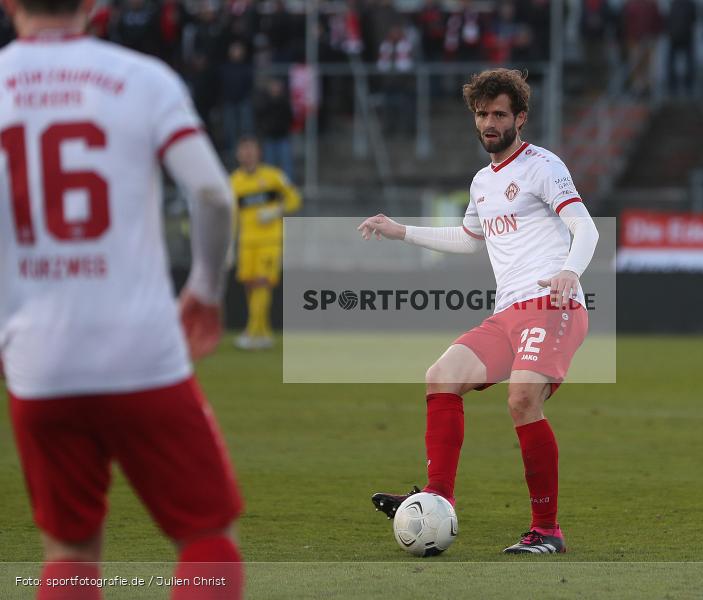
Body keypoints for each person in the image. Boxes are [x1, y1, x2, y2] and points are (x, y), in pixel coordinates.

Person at [0, 1, 242, 599]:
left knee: (70, 550)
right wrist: (207, 290)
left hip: (38, 360)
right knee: (206, 534)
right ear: (93, 5)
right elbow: (211, 192)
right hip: (142, 349)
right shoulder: (141, 78)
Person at [359, 69, 600, 555]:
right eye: (482, 114)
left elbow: (587, 229)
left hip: (552, 305)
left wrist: (570, 272)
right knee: (440, 375)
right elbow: (469, 241)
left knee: (521, 399)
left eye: (499, 114)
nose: (489, 122)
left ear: (520, 118)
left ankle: (546, 530)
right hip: (508, 313)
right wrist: (400, 230)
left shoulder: (542, 165)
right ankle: (437, 499)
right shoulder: (481, 183)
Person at [231, 136, 301, 350]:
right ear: (238, 154)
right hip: (246, 241)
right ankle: (264, 333)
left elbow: (295, 198)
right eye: (244, 149)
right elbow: (232, 215)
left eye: (251, 149)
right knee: (250, 285)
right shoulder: (233, 182)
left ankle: (251, 332)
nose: (248, 153)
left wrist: (276, 211)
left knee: (262, 282)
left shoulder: (273, 177)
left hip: (269, 240)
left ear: (258, 152)